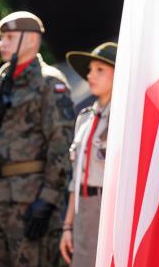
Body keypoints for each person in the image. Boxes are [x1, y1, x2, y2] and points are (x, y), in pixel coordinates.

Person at [0, 11, 75, 267]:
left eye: (9, 37)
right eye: (2, 38)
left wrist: (47, 199)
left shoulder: (49, 83)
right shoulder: (1, 82)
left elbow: (62, 144)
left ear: (32, 40)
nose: (2, 44)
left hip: (33, 201)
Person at [59, 42, 117, 266]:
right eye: (90, 70)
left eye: (100, 70)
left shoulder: (126, 118)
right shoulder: (84, 118)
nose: (91, 75)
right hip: (83, 210)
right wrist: (68, 226)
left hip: (110, 208)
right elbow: (77, 178)